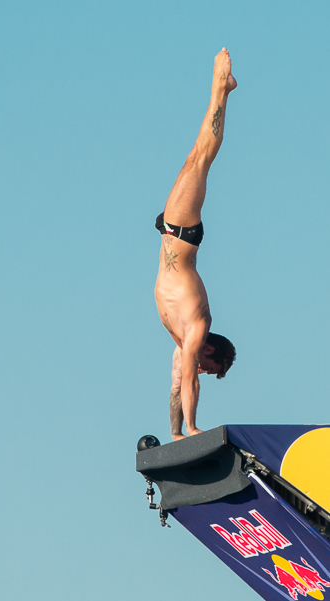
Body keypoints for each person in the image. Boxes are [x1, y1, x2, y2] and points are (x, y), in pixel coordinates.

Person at [154, 48, 238, 441]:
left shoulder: (185, 340)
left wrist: (174, 436)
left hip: (175, 233)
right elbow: (190, 379)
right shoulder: (198, 328)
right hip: (181, 232)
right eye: (211, 367)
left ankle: (222, 90)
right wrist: (191, 427)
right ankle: (221, 88)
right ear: (210, 351)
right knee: (201, 156)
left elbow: (177, 384)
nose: (202, 371)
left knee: (198, 158)